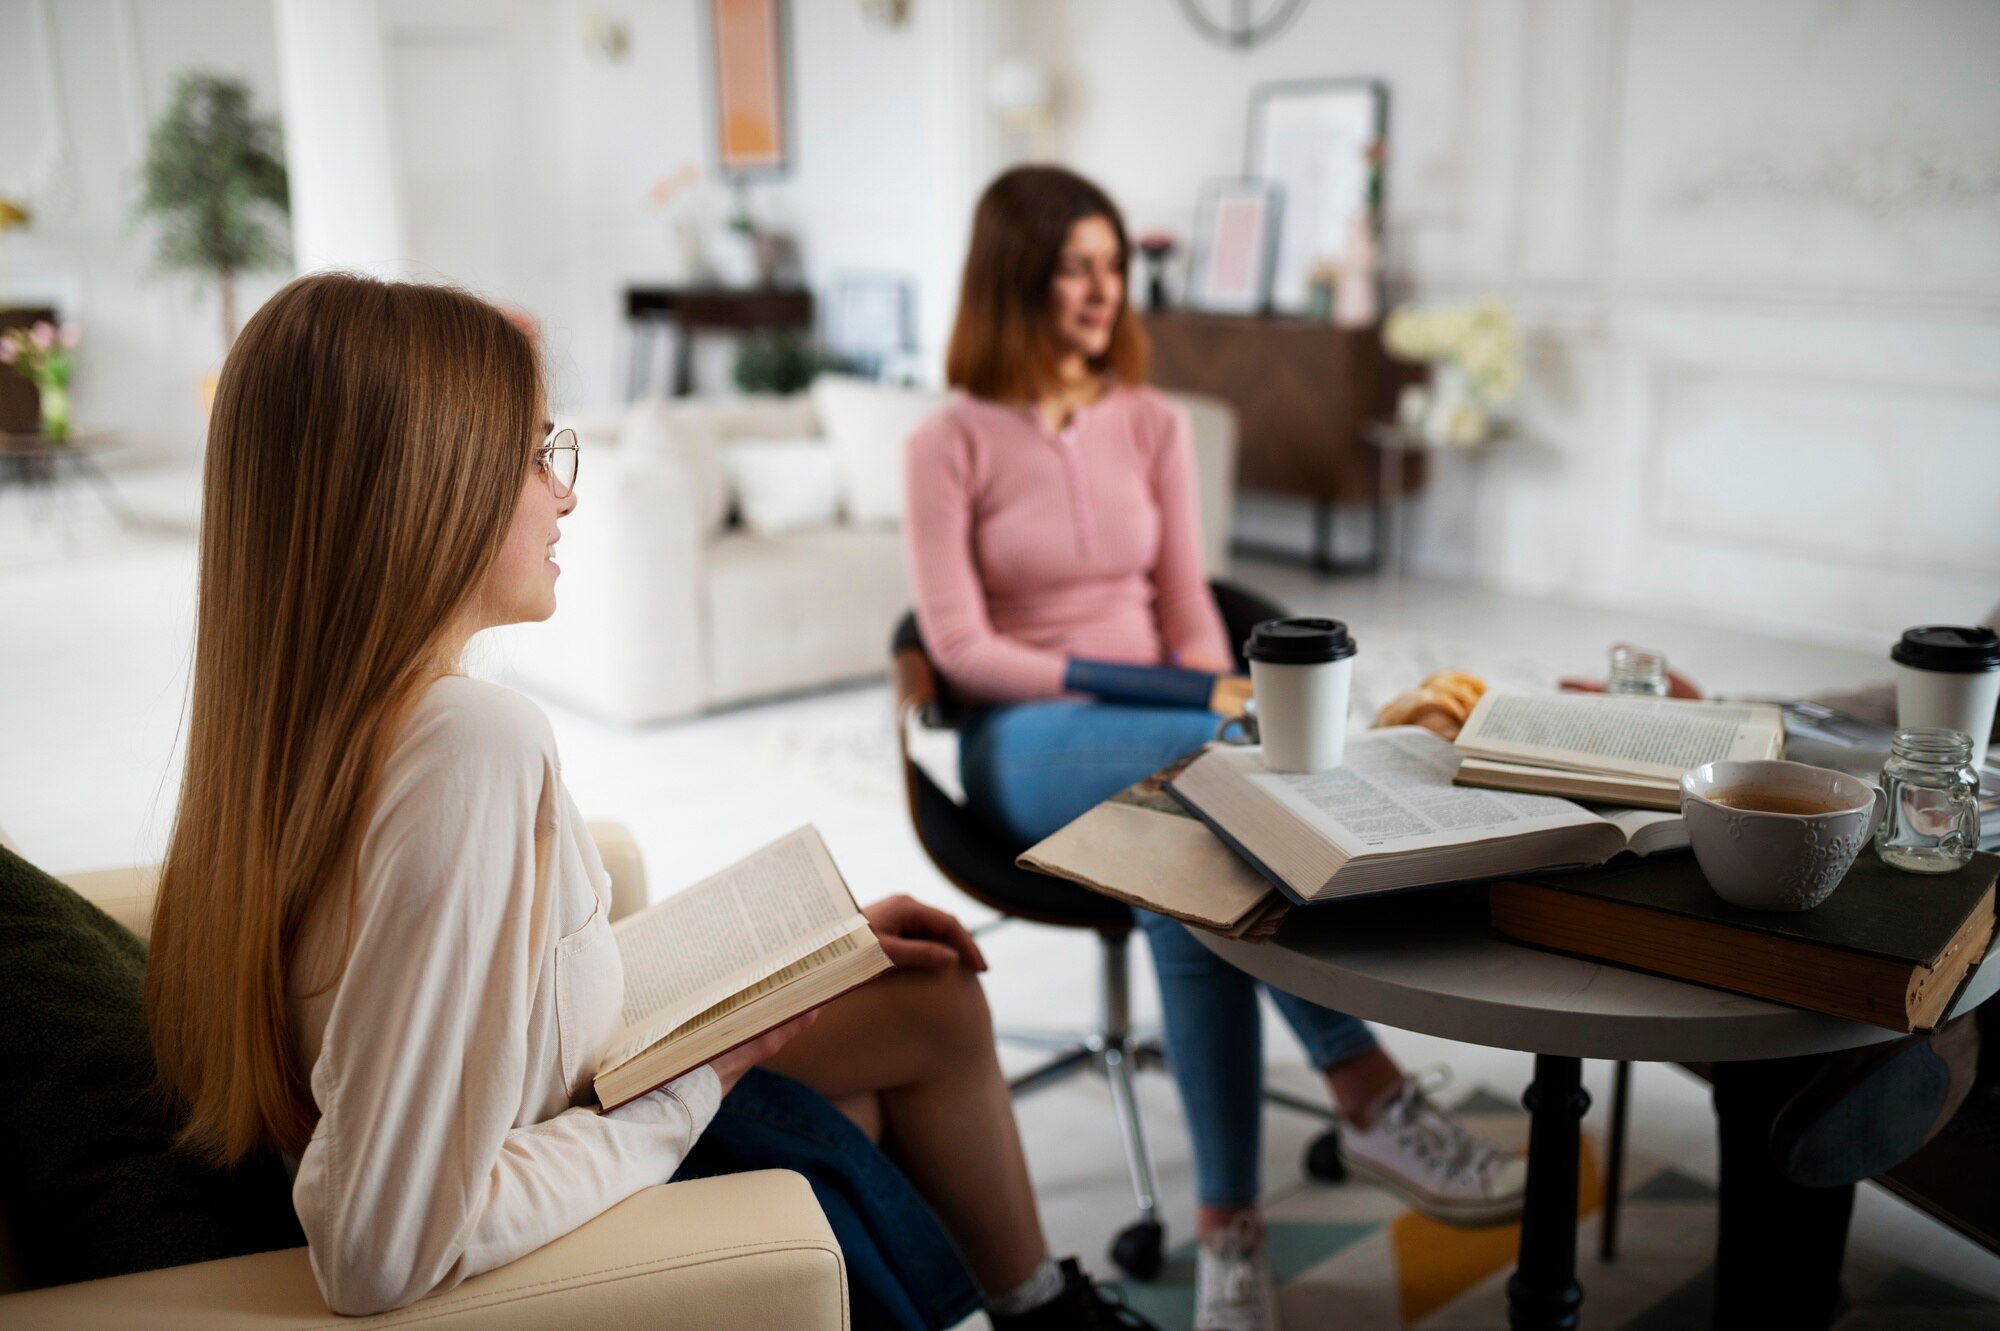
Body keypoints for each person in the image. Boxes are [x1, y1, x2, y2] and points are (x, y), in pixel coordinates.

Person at [142, 272, 1153, 1331]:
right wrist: (692, 1086)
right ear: (425, 484)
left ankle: (1042, 1309)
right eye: (537, 454)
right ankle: (1049, 1315)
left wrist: (787, 962)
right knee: (885, 1073)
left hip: (549, 1090)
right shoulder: (468, 746)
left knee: (919, 1002)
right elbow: (378, 1242)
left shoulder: (292, 734)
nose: (564, 492)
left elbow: (465, 982)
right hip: (556, 1139)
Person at [903, 166, 1527, 1331]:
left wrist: (1211, 688)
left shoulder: (1151, 423)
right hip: (1019, 742)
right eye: (1073, 266)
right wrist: (1160, 689)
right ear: (1011, 277)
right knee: (1219, 775)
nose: (1102, 289)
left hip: (1168, 740)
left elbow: (1187, 607)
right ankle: (1366, 1086)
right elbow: (959, 646)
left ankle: (1227, 1232)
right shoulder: (946, 441)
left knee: (1181, 880)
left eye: (1111, 265)